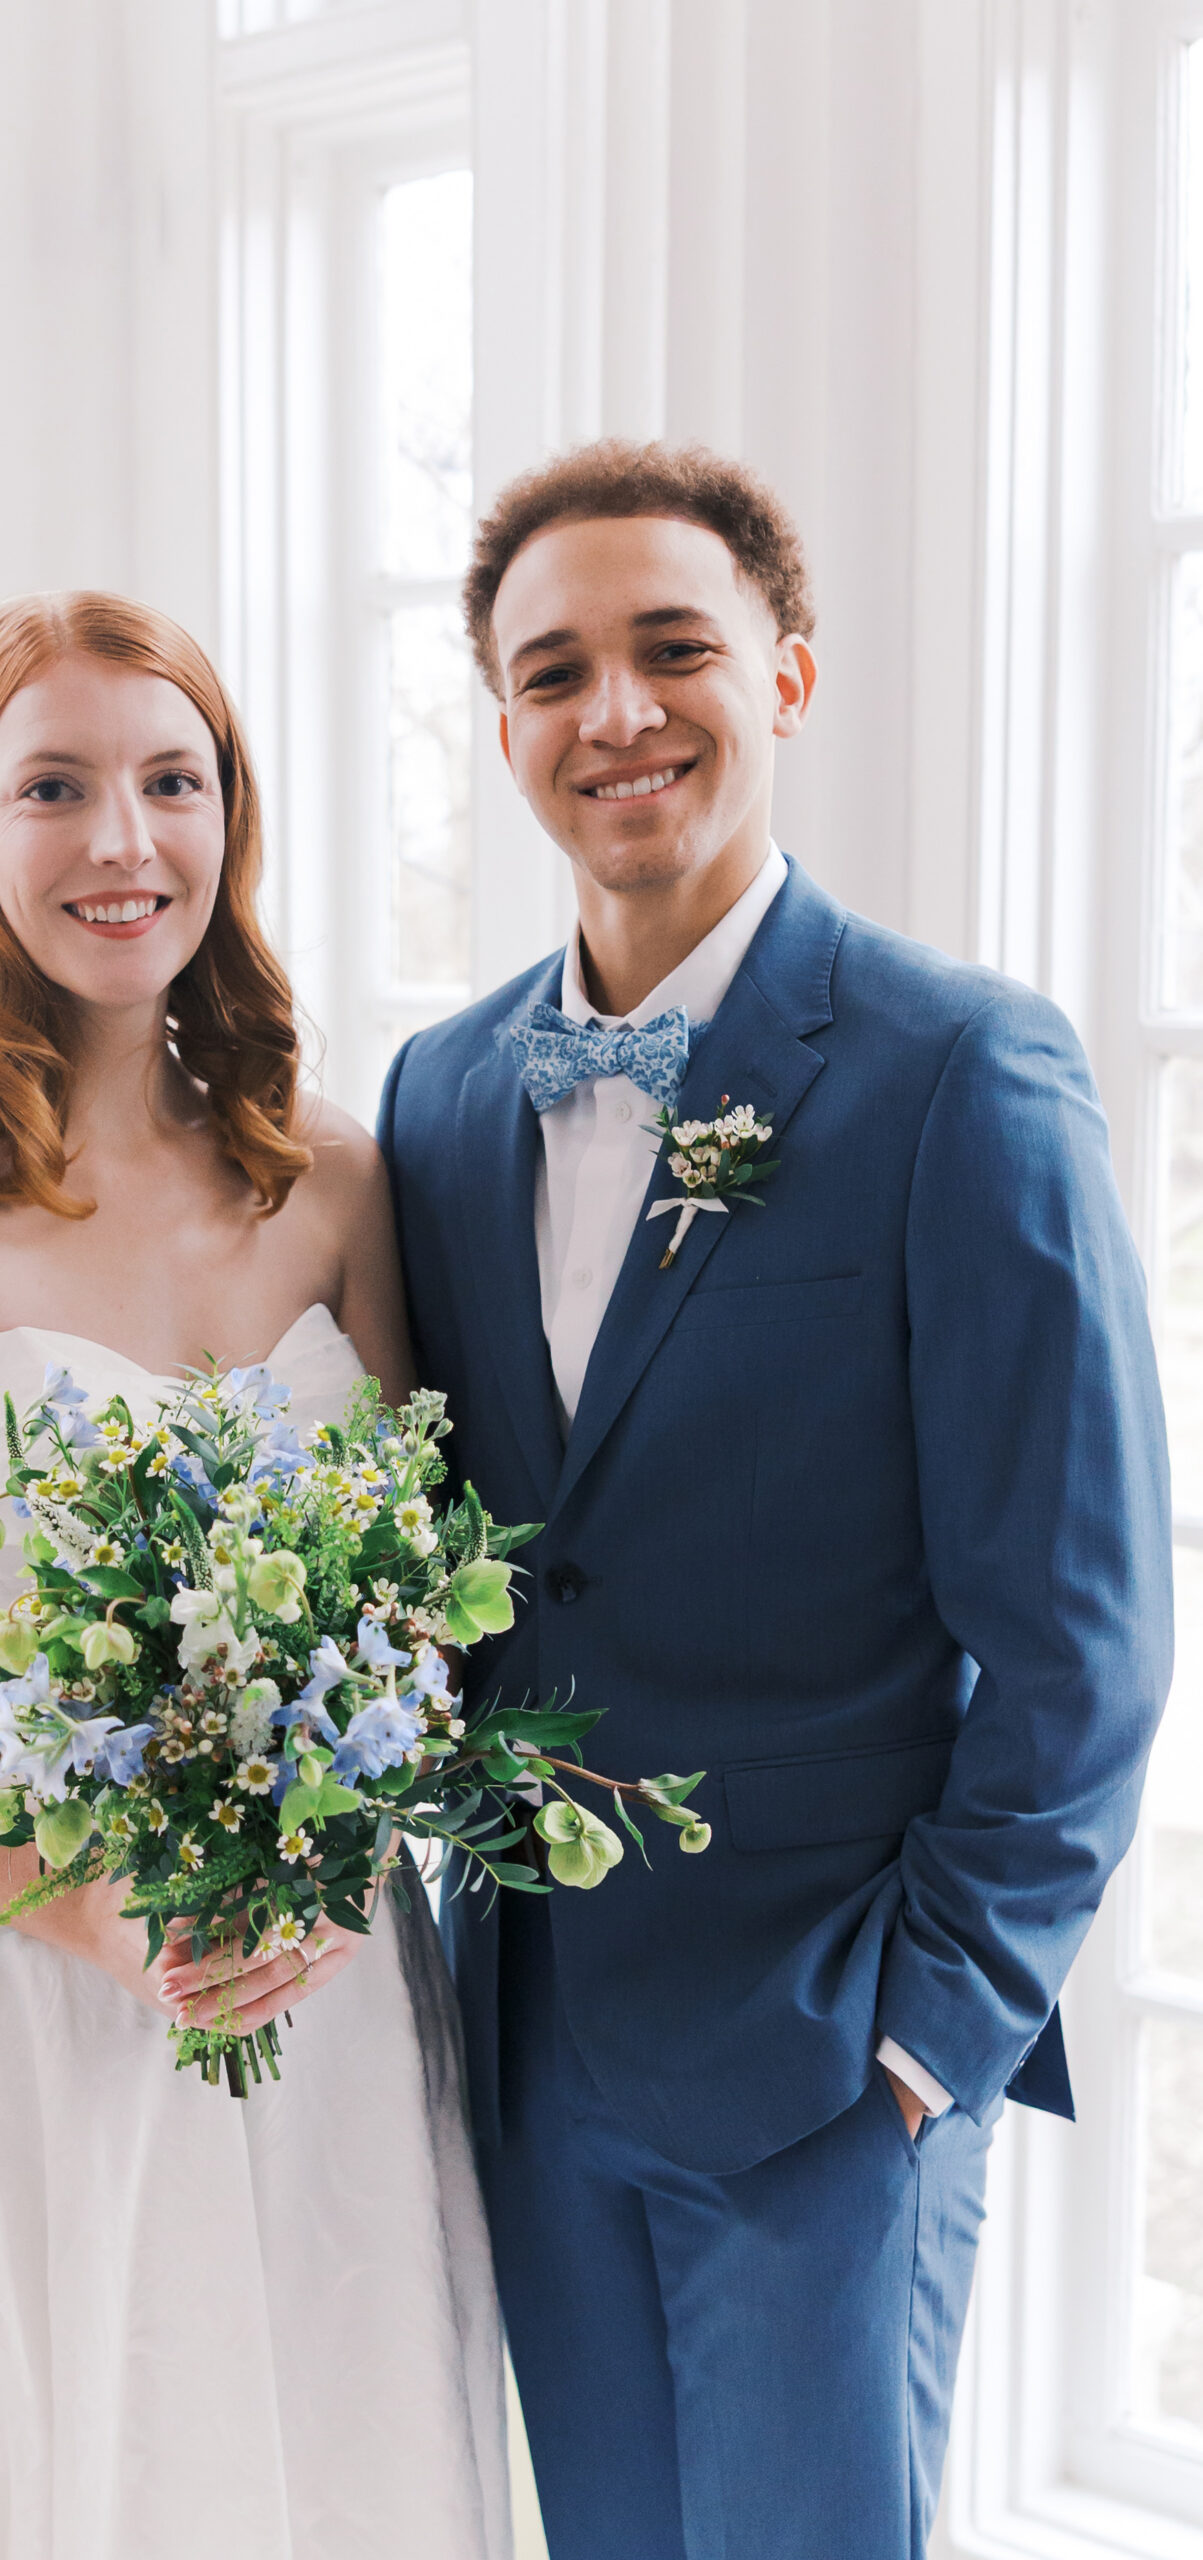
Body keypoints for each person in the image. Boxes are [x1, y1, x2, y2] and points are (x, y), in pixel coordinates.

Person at [377, 439, 1173, 2560]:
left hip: (826, 2062)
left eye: (670, 649)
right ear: (503, 724)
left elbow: (1082, 1635)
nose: (613, 712)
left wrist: (919, 2041)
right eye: (552, 671)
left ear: (788, 677)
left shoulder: (954, 1068)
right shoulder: (438, 1096)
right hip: (527, 2045)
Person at [0, 592, 511, 2559]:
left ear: (230, 816)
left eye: (169, 778)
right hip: (25, 2025)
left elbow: (422, 1577)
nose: (119, 839)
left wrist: (325, 1832)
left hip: (330, 2021)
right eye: (50, 784)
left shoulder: (329, 1171)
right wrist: (111, 1909)